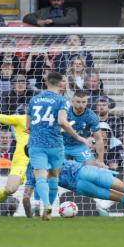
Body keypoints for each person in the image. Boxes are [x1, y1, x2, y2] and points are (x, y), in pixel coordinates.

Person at [26, 71, 90, 220]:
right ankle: (50, 209)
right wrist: (78, 137)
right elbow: (62, 121)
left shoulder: (34, 100)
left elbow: (28, 126)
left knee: (40, 175)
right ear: (61, 83)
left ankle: (46, 204)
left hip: (36, 144)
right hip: (55, 144)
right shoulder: (62, 100)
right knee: (54, 175)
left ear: (46, 82)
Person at [23, 160, 124, 217]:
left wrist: (30, 215)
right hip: (85, 171)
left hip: (80, 186)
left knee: (121, 198)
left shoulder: (31, 172)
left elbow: (25, 198)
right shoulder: (50, 153)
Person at [64, 90, 106, 167]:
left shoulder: (91, 116)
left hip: (79, 146)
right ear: (72, 101)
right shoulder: (64, 112)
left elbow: (99, 139)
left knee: (92, 168)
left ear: (87, 102)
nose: (81, 105)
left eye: (84, 102)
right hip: (61, 146)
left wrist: (100, 160)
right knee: (57, 171)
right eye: (78, 102)